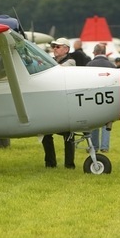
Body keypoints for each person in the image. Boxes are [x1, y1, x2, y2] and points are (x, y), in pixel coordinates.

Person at [42, 38, 76, 168]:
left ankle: (69, 164)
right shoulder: (52, 61)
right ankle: (50, 163)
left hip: (65, 104)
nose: (54, 49)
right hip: (52, 104)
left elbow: (56, 71)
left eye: (58, 47)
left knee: (68, 135)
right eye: (53, 47)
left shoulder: (70, 62)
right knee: (46, 133)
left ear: (66, 49)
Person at [86, 43, 116, 152]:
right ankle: (105, 147)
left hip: (94, 98)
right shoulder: (112, 66)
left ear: (95, 53)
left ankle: (94, 146)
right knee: (106, 125)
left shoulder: (89, 64)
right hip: (109, 99)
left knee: (95, 124)